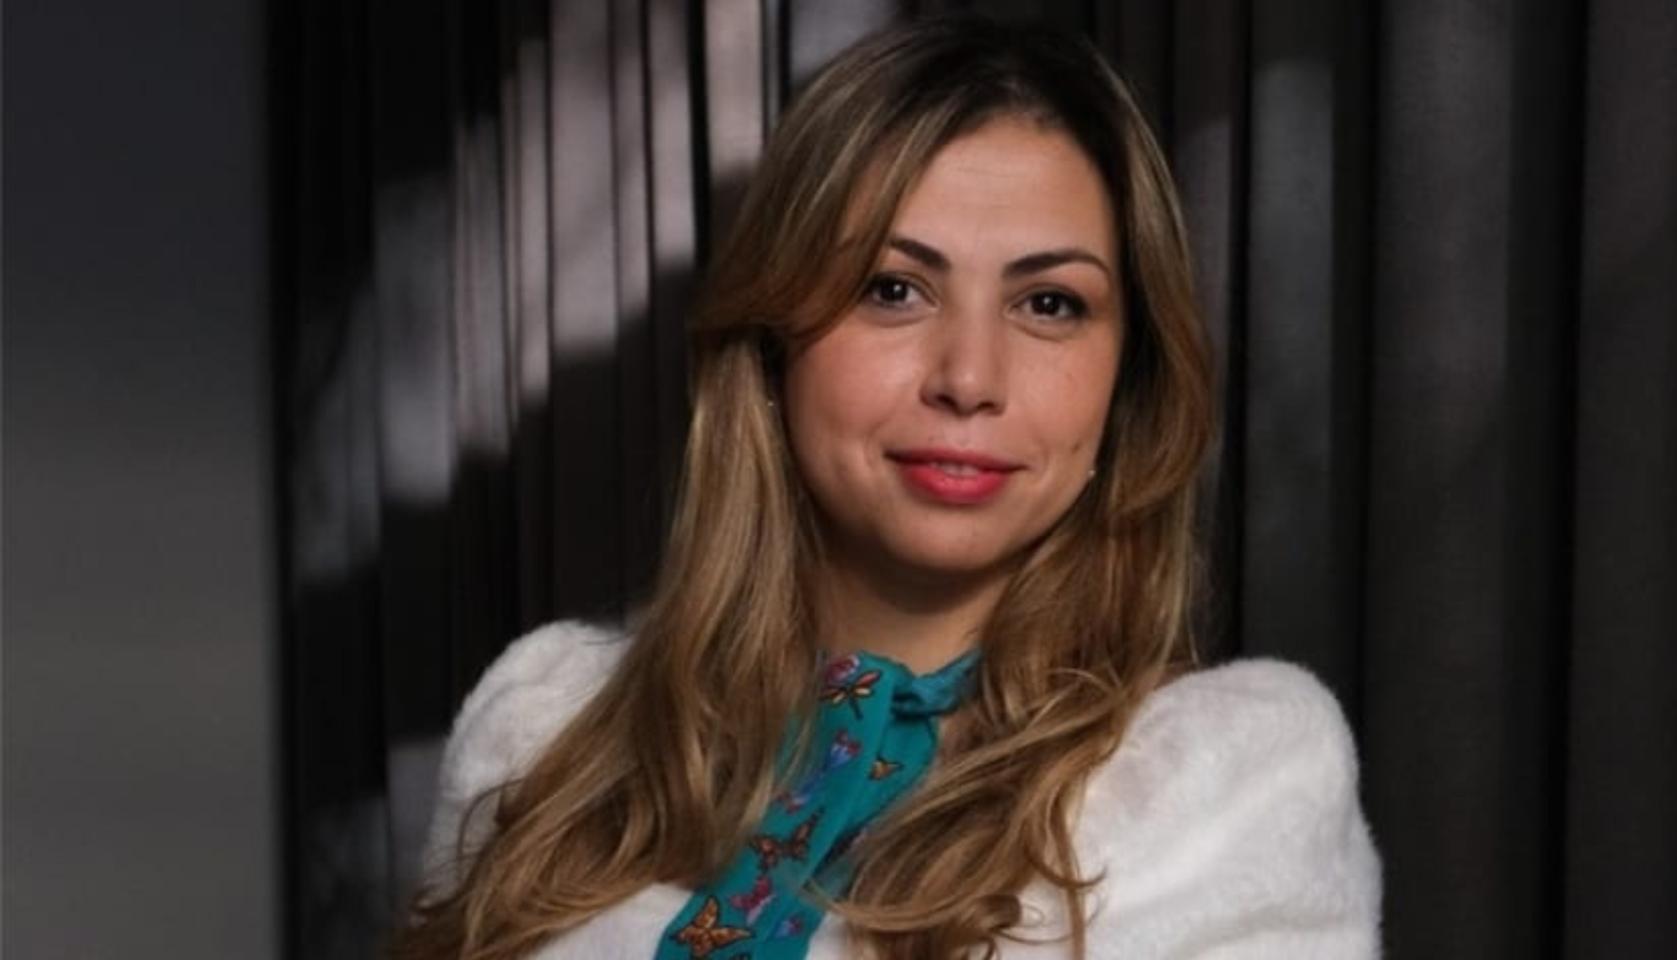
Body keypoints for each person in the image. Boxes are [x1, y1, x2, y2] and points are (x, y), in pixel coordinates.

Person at [394, 16, 1381, 960]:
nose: (968, 377)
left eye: (1048, 303)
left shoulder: (1231, 784)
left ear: (1129, 382)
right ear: (773, 342)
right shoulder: (543, 727)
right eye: (891, 288)